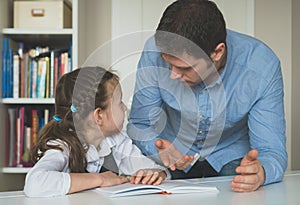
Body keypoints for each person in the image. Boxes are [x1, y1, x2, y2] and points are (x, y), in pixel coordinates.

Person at [127, 0, 287, 192]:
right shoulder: (154, 49)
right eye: (168, 64)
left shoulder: (261, 66)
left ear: (217, 52)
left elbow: (271, 151)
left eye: (184, 67)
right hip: (169, 156)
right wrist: (157, 150)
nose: (173, 75)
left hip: (230, 157)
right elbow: (140, 124)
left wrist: (261, 172)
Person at [24, 66, 169, 197]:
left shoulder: (115, 140)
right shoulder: (62, 146)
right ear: (99, 115)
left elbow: (154, 169)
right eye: (119, 103)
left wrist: (156, 173)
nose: (124, 108)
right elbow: (34, 184)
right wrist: (100, 179)